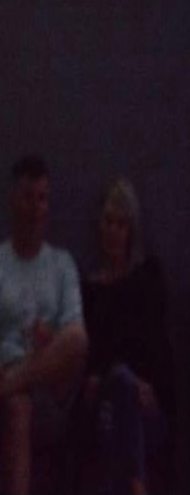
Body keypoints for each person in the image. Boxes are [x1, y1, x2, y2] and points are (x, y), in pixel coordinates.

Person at [0, 155, 87, 495]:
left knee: (75, 337)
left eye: (42, 199)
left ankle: (10, 384)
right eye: (28, 198)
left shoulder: (61, 265)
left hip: (50, 387)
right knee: (18, 404)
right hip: (4, 385)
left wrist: (50, 341)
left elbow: (74, 342)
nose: (36, 209)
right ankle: (8, 386)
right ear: (13, 200)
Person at [79, 178, 176, 495]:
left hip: (146, 405)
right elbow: (93, 359)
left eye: (121, 224)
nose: (113, 231)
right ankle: (136, 485)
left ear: (131, 230)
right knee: (118, 387)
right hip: (105, 399)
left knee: (123, 401)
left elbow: (157, 346)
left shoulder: (148, 277)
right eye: (108, 221)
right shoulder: (90, 289)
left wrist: (148, 388)